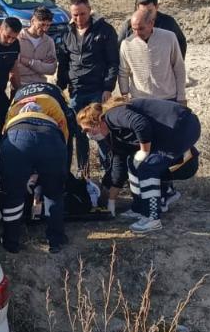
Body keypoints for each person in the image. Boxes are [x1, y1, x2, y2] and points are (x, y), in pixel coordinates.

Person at [77, 98, 201, 233]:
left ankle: (152, 218)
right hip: (172, 130)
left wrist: (144, 151)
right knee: (132, 161)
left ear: (97, 121)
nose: (89, 135)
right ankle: (139, 208)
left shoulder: (112, 115)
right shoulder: (114, 136)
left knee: (147, 166)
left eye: (88, 130)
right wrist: (111, 200)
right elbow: (120, 166)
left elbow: (140, 124)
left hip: (182, 125)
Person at [55, 0, 120, 172]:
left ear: (90, 10)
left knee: (100, 132)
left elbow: (113, 62)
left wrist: (108, 88)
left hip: (98, 90)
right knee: (79, 132)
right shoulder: (66, 32)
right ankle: (83, 172)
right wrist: (59, 87)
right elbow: (64, 62)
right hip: (76, 90)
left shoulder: (105, 30)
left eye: (82, 14)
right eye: (75, 15)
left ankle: (109, 172)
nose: (79, 18)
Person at [0, 102, 69, 253]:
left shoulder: (13, 118)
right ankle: (56, 240)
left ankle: (11, 242)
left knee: (13, 194)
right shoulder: (51, 119)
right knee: (54, 193)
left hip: (18, 136)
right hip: (51, 138)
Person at [119, 10, 187, 103]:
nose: (137, 33)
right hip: (139, 99)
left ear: (151, 23)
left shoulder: (169, 37)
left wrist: (181, 97)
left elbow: (179, 68)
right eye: (134, 29)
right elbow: (123, 72)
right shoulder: (126, 44)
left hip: (168, 98)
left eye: (141, 28)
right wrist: (124, 96)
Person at [118, 0, 187, 58]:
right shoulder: (129, 25)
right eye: (143, 11)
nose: (146, 15)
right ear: (137, 8)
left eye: (149, 11)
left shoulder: (168, 22)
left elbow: (181, 43)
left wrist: (175, 64)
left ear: (156, 7)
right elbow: (118, 47)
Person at [15, 6, 59, 88]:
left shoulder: (49, 41)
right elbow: (15, 68)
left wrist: (28, 62)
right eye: (42, 24)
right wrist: (41, 64)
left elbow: (52, 69)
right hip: (20, 85)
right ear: (32, 21)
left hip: (41, 86)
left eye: (48, 25)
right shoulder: (17, 39)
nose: (45, 29)